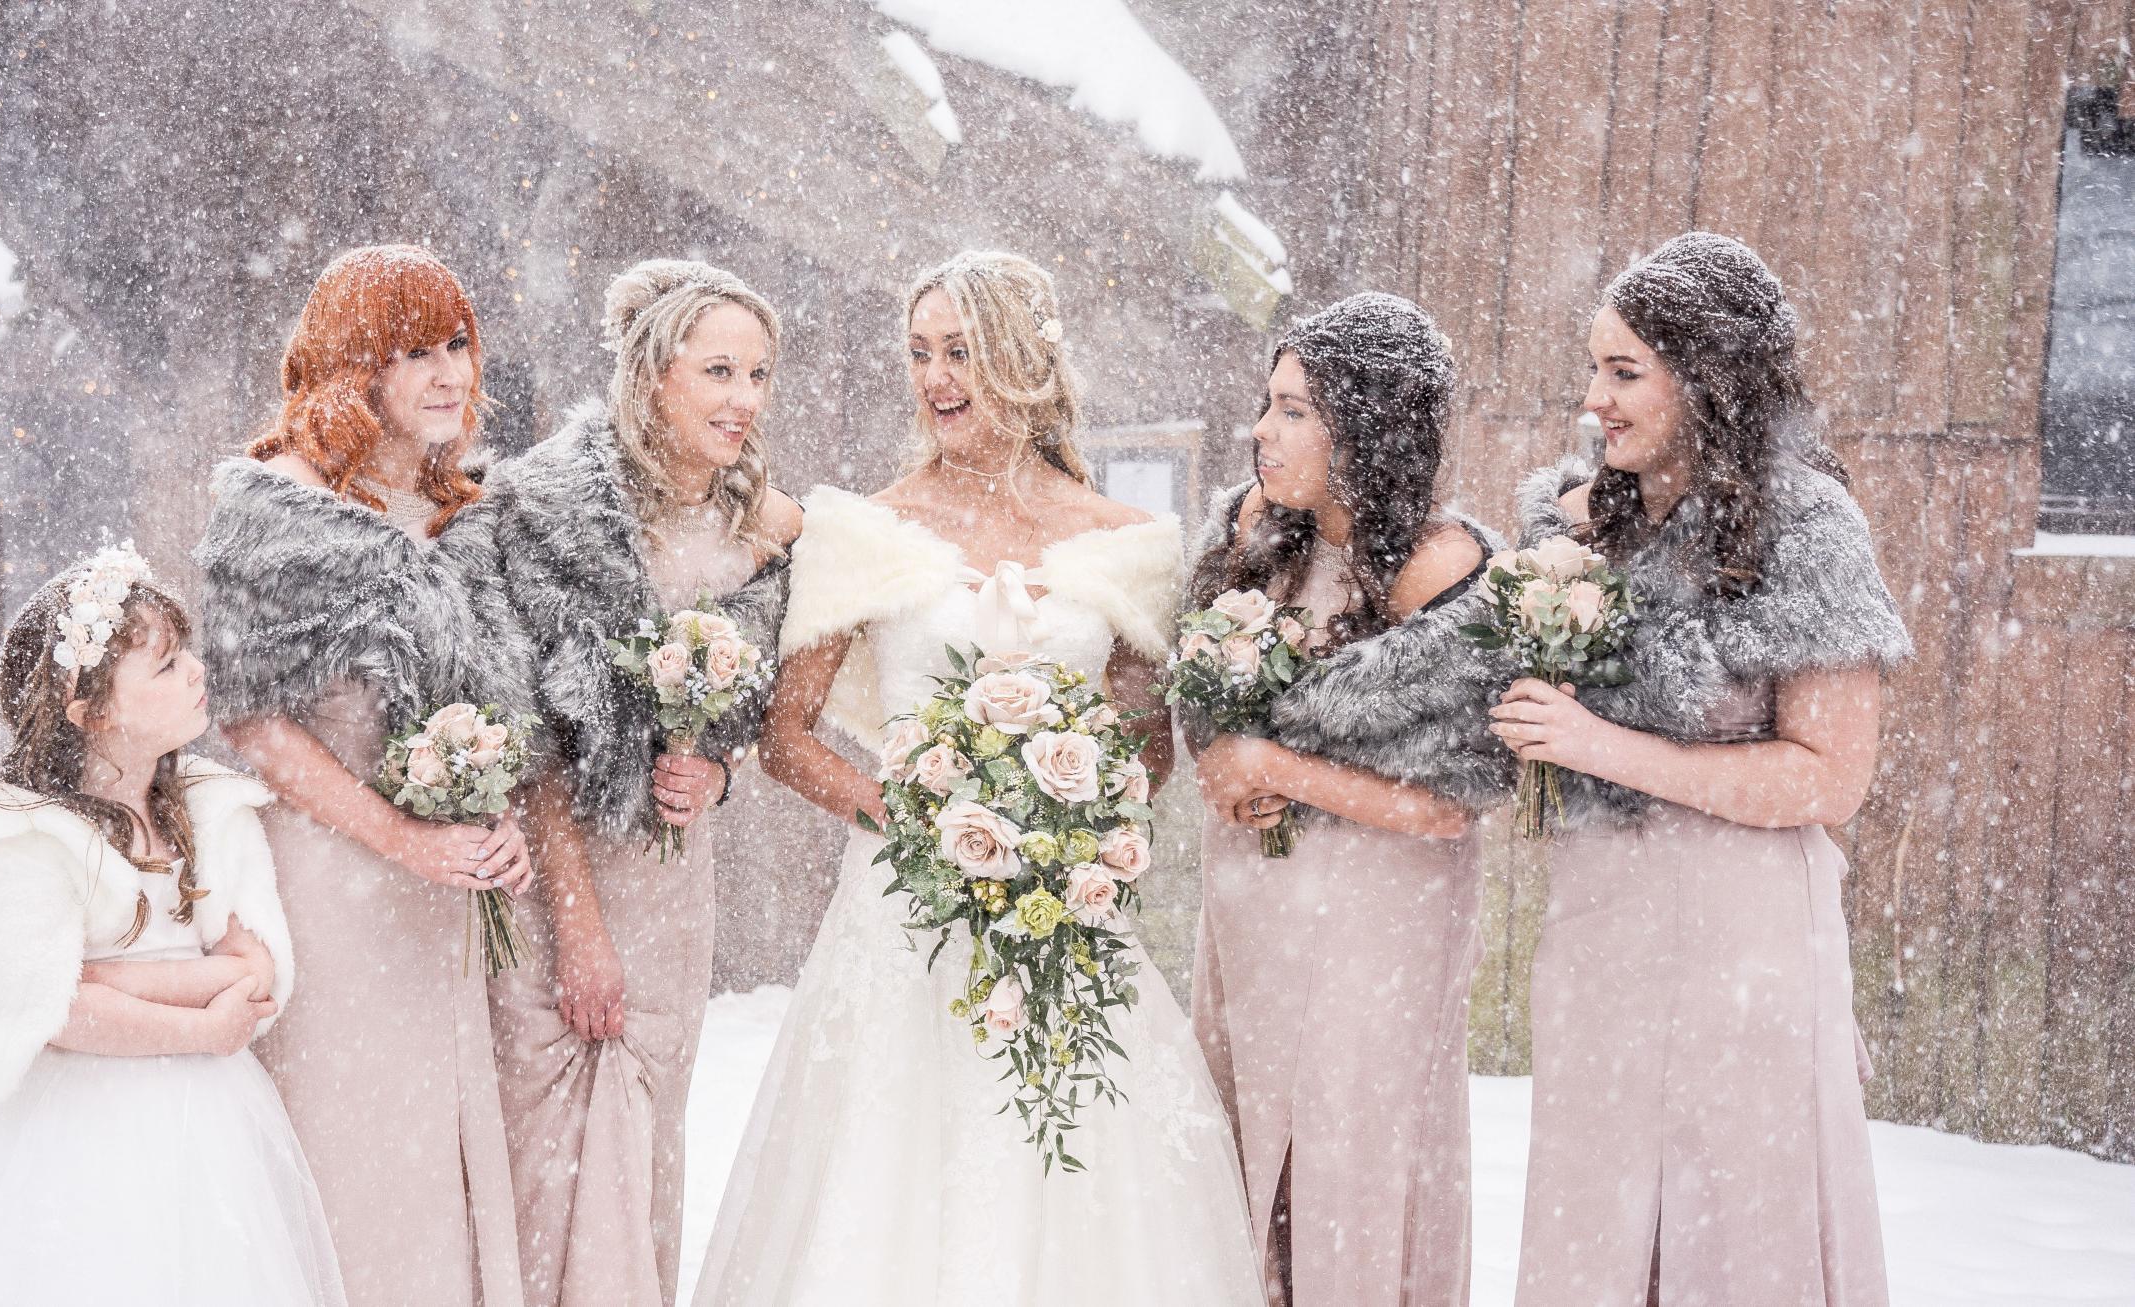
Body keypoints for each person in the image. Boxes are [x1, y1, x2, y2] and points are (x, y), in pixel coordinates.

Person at [693, 250, 1264, 1307]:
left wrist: (1071, 806)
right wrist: (913, 810)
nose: (935, 376)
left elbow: (1147, 745)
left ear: (1026, 360)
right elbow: (786, 733)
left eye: (959, 349)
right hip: (903, 914)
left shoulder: (1129, 543)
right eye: (919, 352)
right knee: (883, 1186)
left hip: (1061, 910)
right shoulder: (865, 527)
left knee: (1078, 1174)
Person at [1489, 232, 1906, 1306]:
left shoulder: (1805, 525)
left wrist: (1600, 744)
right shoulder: (1573, 525)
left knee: (1736, 1230)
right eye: (1592, 367)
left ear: (1708, 374)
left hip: (1744, 935)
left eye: (1623, 371)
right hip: (1598, 926)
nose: (1594, 399)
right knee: (1593, 1221)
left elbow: (1829, 777)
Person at [0, 544, 341, 1307]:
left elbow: (256, 965)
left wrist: (118, 978)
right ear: (91, 710)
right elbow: (47, 1006)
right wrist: (197, 1025)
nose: (198, 671)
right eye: (167, 666)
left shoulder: (209, 807)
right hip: (70, 1129)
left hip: (207, 1128)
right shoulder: (27, 835)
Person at [197, 244, 553, 1307]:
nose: (449, 373)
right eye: (413, 351)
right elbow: (253, 720)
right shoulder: (274, 512)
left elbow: (493, 707)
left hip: (450, 893)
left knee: (442, 1152)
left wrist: (493, 818)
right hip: (337, 882)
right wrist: (406, 839)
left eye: (458, 345)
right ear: (356, 366)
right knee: (361, 1162)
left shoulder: (464, 513)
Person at [480, 259, 798, 1307]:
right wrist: (576, 921)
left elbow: (748, 703)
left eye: (756, 373)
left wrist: (715, 766)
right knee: (553, 1145)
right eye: (717, 370)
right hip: (556, 868)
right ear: (653, 373)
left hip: (672, 889)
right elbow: (528, 737)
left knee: (649, 1146)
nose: (743, 399)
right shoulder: (540, 508)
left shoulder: (765, 527)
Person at [1185, 292, 1511, 1307]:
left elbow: (1454, 798)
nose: (1261, 431)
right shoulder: (1256, 543)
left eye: (1293, 410)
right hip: (1252, 917)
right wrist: (1226, 769)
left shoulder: (1438, 564)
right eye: (1265, 402)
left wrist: (1273, 767)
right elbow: (1205, 713)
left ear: (1364, 423)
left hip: (1375, 924)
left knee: (1350, 1162)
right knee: (1241, 1166)